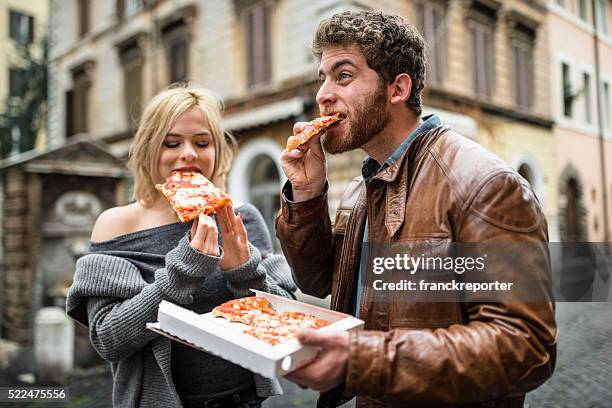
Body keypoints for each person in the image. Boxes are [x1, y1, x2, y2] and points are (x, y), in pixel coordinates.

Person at [276, 10, 557, 408]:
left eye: (343, 75)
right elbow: (318, 282)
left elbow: (527, 348)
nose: (323, 94)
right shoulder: (360, 188)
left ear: (398, 89)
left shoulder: (484, 183)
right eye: (322, 78)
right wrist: (306, 194)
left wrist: (363, 359)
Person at [66, 86, 296, 408]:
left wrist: (244, 272)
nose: (188, 153)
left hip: (244, 400)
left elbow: (286, 320)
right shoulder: (116, 225)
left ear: (217, 152)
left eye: (202, 143)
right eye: (171, 143)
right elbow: (108, 339)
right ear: (149, 150)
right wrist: (182, 273)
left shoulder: (240, 218)